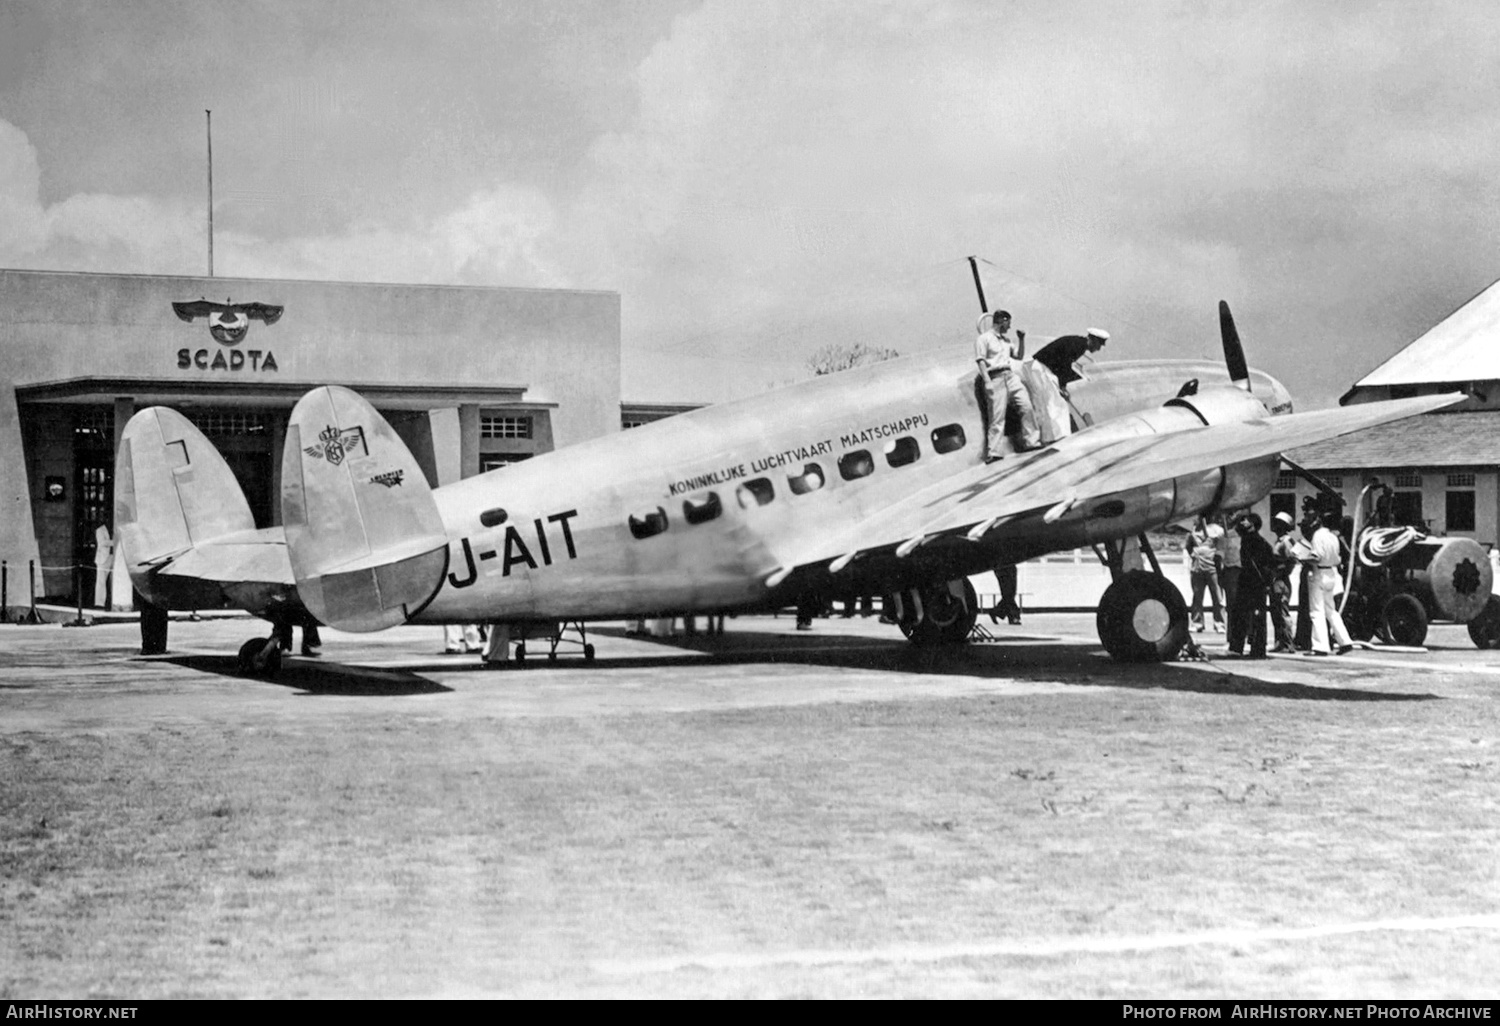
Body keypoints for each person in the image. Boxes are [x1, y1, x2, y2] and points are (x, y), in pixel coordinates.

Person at [974, 310, 1040, 460]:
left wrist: (1021, 340)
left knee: (1026, 406)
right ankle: (994, 452)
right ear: (1002, 321)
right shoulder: (984, 339)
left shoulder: (1006, 341)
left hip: (1010, 376)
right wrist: (987, 382)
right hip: (995, 377)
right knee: (997, 416)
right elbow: (981, 361)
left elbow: (1018, 356)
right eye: (1008, 323)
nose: (1009, 327)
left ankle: (1032, 441)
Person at [1308, 509, 1355, 656]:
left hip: (1319, 572)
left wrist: (1303, 559)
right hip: (1331, 573)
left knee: (1317, 612)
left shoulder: (1318, 535)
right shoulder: (1333, 537)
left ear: (1320, 521)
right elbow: (1338, 558)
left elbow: (1317, 557)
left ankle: (1320, 646)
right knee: (1331, 610)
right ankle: (1345, 641)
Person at [1227, 513, 1274, 658]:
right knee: (1255, 616)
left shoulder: (1252, 541)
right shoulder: (1256, 540)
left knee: (1245, 615)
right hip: (1254, 581)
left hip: (1252, 581)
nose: (1242, 522)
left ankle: (1239, 647)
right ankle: (1257, 648)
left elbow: (1258, 564)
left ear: (1253, 524)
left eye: (1245, 520)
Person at [1031, 328, 1109, 397]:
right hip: (1041, 366)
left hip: (1045, 364)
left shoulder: (1080, 343)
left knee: (1076, 378)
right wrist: (1063, 387)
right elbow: (1065, 364)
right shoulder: (1079, 345)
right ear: (1094, 340)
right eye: (1099, 345)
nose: (1098, 349)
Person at [1268, 511, 1301, 652]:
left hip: (1281, 580)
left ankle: (1288, 643)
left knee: (1282, 612)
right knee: (1276, 612)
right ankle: (1280, 642)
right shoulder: (1280, 541)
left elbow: (1291, 560)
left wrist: (1280, 571)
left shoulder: (1286, 541)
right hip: (1276, 579)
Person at [1186, 515, 1225, 632]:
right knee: (1197, 597)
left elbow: (1221, 547)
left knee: (1217, 597)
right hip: (1197, 568)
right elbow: (1188, 546)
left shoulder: (1217, 530)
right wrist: (1194, 555)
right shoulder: (1193, 531)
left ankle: (1219, 623)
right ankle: (1197, 622)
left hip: (1213, 569)